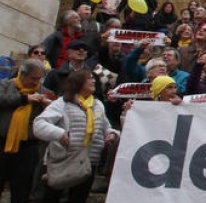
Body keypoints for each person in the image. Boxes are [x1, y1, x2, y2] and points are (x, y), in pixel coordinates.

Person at [33, 70, 118, 203]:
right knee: (52, 197)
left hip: (88, 163)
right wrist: (59, 133)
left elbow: (105, 127)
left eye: (94, 79)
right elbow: (39, 124)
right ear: (78, 82)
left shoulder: (98, 105)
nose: (94, 81)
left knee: (78, 198)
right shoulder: (62, 103)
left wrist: (111, 134)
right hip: (63, 161)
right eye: (89, 78)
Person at [1, 59, 52, 203]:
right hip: (3, 142)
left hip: (27, 147)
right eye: (33, 78)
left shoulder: (43, 92)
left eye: (39, 78)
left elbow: (57, 108)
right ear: (22, 75)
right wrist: (24, 99)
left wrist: (48, 106)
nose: (36, 82)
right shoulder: (6, 85)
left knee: (22, 189)